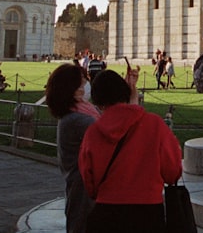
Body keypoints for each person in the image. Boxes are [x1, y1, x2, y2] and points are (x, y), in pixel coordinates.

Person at [78, 68, 182, 232]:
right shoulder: (155, 125)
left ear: (97, 101)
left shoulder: (93, 132)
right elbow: (173, 172)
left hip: (106, 213)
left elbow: (89, 181)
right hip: (148, 214)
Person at [45, 63, 100, 233]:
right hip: (85, 189)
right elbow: (111, 134)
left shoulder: (74, 112)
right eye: (82, 83)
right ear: (71, 88)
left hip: (79, 184)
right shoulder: (79, 119)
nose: (86, 87)